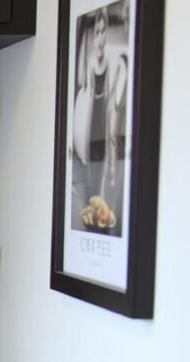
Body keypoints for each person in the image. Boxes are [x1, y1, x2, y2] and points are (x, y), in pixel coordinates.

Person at [72, 5, 128, 235]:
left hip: (103, 131)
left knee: (103, 181)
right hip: (88, 132)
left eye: (103, 31)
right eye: (97, 31)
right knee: (90, 184)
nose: (100, 37)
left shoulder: (113, 64)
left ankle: (99, 224)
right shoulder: (87, 66)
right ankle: (92, 222)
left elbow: (115, 102)